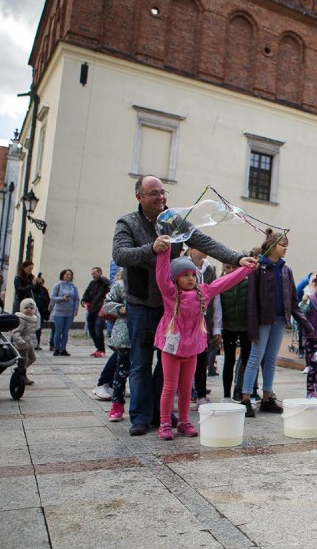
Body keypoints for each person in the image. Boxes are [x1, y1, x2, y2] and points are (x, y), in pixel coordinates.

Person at [112, 175, 255, 437]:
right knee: (141, 362)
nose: (161, 197)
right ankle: (141, 417)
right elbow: (120, 255)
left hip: (173, 308)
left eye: (163, 192)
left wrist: (236, 257)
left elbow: (204, 241)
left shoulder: (173, 221)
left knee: (166, 365)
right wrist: (151, 248)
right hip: (143, 304)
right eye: (154, 193)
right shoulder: (128, 223)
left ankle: (160, 414)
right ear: (140, 198)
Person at [152, 239, 251, 440]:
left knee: (188, 387)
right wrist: (165, 252)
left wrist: (245, 269)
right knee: (170, 387)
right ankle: (164, 422)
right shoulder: (170, 293)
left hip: (192, 349)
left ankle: (184, 422)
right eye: (185, 275)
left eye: (192, 275)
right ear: (175, 279)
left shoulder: (203, 292)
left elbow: (225, 282)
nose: (190, 278)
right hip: (171, 349)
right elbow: (161, 276)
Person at [241, 230, 313, 417]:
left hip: (280, 320)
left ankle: (267, 397)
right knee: (255, 358)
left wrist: (306, 325)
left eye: (287, 244)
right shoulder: (257, 268)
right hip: (263, 320)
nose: (286, 248)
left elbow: (294, 301)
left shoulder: (286, 270)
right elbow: (251, 301)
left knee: (271, 360)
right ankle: (246, 398)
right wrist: (252, 326)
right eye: (283, 244)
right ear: (272, 246)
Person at [185, 247, 222, 409]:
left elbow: (216, 298)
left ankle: (200, 394)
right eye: (200, 247)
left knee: (201, 360)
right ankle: (185, 390)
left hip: (203, 323)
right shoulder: (183, 266)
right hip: (186, 322)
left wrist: (217, 328)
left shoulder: (210, 271)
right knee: (185, 359)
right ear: (192, 250)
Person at [100, 269, 130, 422]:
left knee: (140, 372)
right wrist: (121, 309)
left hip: (144, 334)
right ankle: (117, 404)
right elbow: (107, 304)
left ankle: (141, 404)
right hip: (124, 335)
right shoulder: (120, 284)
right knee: (121, 371)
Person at [220, 262, 252, 401]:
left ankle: (246, 392)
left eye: (234, 267)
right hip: (228, 327)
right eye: (228, 267)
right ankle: (226, 395)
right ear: (223, 268)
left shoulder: (248, 283)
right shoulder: (221, 283)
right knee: (229, 360)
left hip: (245, 327)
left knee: (247, 360)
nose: (231, 270)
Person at [81, 267, 111, 358]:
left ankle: (101, 350)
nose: (93, 276)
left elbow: (110, 285)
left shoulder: (105, 283)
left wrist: (103, 279)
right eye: (92, 274)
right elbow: (87, 293)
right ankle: (98, 348)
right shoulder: (92, 283)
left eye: (94, 274)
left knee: (98, 330)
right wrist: (83, 300)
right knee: (91, 331)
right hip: (91, 310)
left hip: (100, 311)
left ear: (100, 273)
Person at [49, 269, 80, 356]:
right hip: (59, 311)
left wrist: (75, 310)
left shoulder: (73, 287)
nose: (69, 276)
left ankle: (63, 349)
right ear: (62, 275)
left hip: (69, 312)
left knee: (66, 331)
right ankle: (56, 348)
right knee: (58, 331)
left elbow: (77, 299)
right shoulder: (57, 285)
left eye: (70, 275)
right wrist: (62, 298)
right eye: (67, 274)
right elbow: (53, 298)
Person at [12, 298, 39, 385]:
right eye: (26, 307)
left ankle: (20, 372)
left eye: (31, 308)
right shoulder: (21, 319)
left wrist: (34, 341)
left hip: (29, 344)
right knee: (23, 361)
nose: (29, 310)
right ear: (21, 309)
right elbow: (16, 332)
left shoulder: (32, 319)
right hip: (22, 344)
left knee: (32, 358)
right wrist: (20, 341)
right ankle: (21, 376)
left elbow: (33, 332)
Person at [32, 275, 50, 350]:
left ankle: (37, 344)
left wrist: (47, 310)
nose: (40, 284)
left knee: (39, 328)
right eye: (39, 282)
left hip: (41, 312)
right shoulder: (33, 289)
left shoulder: (44, 290)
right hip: (32, 311)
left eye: (42, 282)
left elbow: (48, 300)